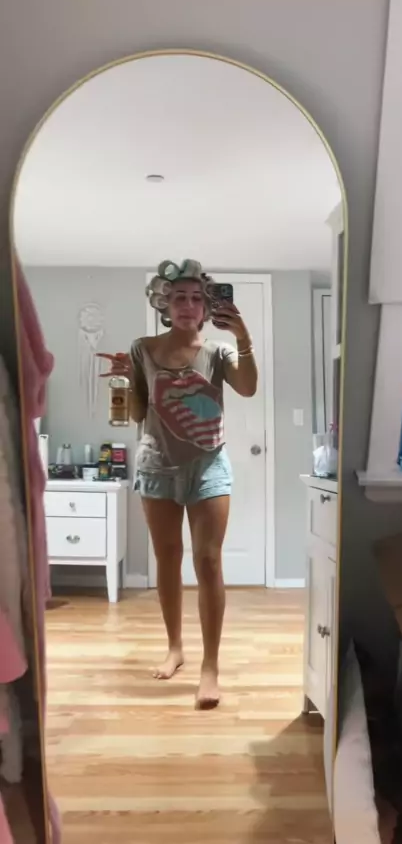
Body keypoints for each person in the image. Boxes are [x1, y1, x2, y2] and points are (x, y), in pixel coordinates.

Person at [100, 260, 257, 709]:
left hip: (209, 466)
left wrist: (243, 337)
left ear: (206, 308)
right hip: (157, 466)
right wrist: (128, 378)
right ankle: (175, 648)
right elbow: (138, 413)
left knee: (209, 561)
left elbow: (247, 388)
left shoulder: (219, 352)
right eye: (178, 298)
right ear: (164, 305)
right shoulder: (143, 348)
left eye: (196, 298)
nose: (188, 305)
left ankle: (211, 666)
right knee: (167, 558)